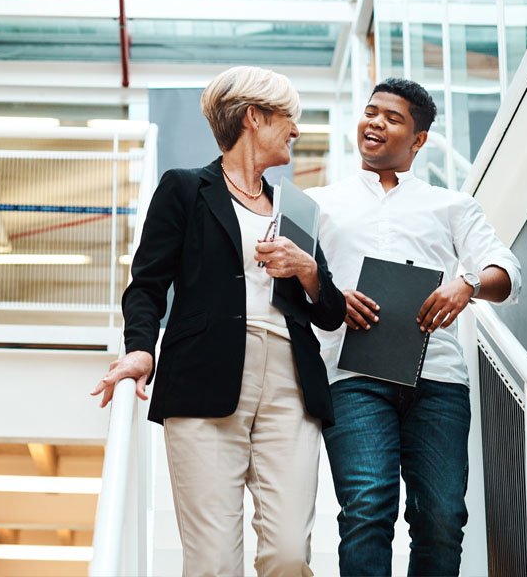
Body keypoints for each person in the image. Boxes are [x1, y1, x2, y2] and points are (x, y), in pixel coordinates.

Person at [91, 65, 346, 577]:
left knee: (290, 553)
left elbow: (331, 313)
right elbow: (147, 283)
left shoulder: (296, 208)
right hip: (204, 373)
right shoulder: (185, 189)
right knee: (212, 562)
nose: (296, 130)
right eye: (288, 118)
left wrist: (308, 270)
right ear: (254, 116)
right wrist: (142, 349)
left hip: (290, 383)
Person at [305, 77, 521, 576]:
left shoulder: (452, 206)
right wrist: (331, 296)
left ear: (419, 140)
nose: (375, 122)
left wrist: (465, 284)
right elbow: (290, 286)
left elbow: (505, 272)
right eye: (371, 111)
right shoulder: (317, 202)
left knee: (442, 518)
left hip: (438, 381)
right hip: (351, 378)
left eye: (393, 118)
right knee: (365, 511)